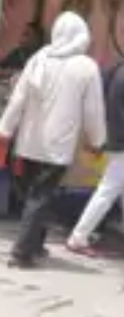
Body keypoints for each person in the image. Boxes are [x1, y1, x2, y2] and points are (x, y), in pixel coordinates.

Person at [0, 12, 107, 269]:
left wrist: (5, 129)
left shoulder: (39, 59)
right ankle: (21, 253)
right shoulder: (86, 67)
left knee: (35, 194)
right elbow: (93, 110)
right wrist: (98, 140)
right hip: (58, 145)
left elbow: (18, 98)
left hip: (29, 142)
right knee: (41, 196)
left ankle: (35, 243)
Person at [66, 57, 124, 255]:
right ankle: (78, 237)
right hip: (121, 141)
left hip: (115, 137)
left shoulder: (115, 69)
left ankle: (79, 236)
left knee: (113, 188)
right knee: (107, 190)